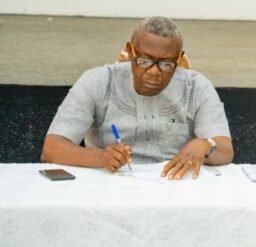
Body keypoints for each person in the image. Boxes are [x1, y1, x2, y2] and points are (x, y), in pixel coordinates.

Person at [41, 16, 233, 179]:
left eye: (166, 64)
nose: (154, 73)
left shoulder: (197, 87)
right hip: (108, 185)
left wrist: (206, 145)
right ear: (129, 51)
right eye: (144, 61)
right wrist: (100, 157)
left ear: (179, 58)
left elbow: (225, 150)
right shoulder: (98, 81)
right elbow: (51, 149)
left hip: (173, 186)